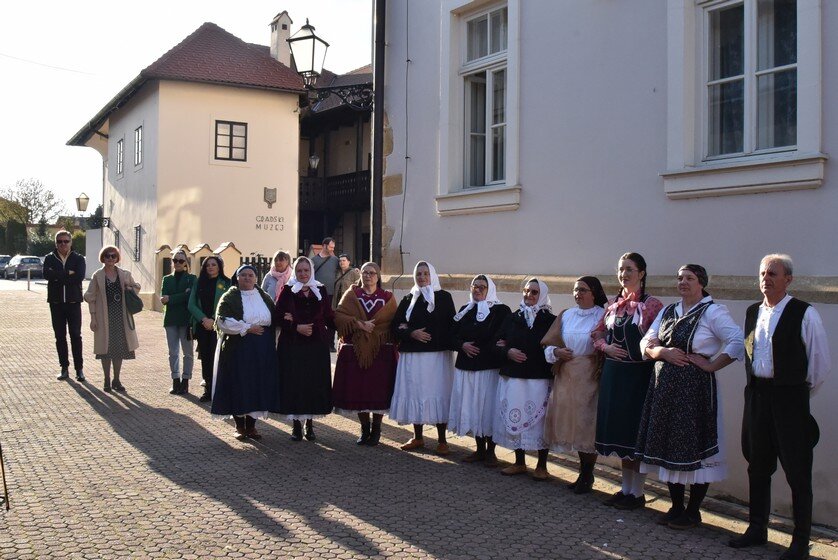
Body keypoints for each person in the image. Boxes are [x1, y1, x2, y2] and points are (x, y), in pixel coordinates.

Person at [728, 254, 830, 560]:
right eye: (762, 273)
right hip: (757, 397)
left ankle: (800, 540)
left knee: (798, 473)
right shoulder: (751, 312)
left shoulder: (804, 313)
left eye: (773, 273)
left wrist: (794, 395)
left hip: (789, 400)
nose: (766, 278)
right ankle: (757, 528)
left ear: (788, 279)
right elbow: (748, 351)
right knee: (757, 466)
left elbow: (819, 364)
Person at [636, 265, 744, 529]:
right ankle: (676, 506)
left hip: (694, 389)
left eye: (690, 278)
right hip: (665, 386)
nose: (683, 282)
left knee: (695, 443)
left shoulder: (713, 312)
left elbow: (737, 340)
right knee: (669, 442)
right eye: (680, 278)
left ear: (702, 283)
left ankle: (693, 510)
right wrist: (662, 353)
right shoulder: (669, 311)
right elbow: (646, 341)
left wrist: (711, 365)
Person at [592, 252, 663, 510]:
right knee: (619, 432)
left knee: (635, 433)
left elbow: (659, 338)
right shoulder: (613, 303)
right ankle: (625, 489)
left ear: (642, 273)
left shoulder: (653, 305)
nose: (624, 274)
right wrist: (605, 347)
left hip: (638, 376)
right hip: (614, 374)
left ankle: (638, 493)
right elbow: (598, 332)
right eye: (621, 269)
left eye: (629, 269)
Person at [541, 276, 608, 493]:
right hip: (567, 375)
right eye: (575, 289)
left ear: (594, 293)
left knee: (587, 426)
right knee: (571, 425)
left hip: (590, 375)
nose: (578, 293)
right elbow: (548, 345)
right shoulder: (566, 315)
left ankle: (587, 474)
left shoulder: (604, 315)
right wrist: (557, 352)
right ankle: (583, 473)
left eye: (583, 290)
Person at [390, 261, 456, 455]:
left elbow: (449, 325)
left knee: (438, 393)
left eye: (426, 273)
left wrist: (413, 330)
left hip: (436, 356)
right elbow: (396, 326)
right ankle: (418, 437)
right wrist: (411, 333)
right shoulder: (409, 298)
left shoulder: (444, 298)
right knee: (415, 393)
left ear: (432, 275)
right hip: (413, 357)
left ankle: (442, 440)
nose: (422, 277)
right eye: (418, 274)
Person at [492, 278, 555, 480]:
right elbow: (497, 343)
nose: (529, 295)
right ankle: (519, 462)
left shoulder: (550, 320)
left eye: (534, 292)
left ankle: (542, 465)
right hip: (514, 377)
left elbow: (552, 346)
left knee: (539, 422)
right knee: (515, 415)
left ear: (542, 295)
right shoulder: (512, 317)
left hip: (538, 378)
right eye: (526, 291)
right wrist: (507, 351)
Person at [333, 261, 398, 445]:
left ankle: (377, 429)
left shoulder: (387, 297)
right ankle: (364, 428)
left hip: (380, 351)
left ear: (378, 276)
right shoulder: (352, 294)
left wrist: (375, 329)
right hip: (356, 350)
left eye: (372, 273)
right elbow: (339, 315)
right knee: (359, 390)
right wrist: (360, 324)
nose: (368, 276)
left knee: (378, 391)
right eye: (364, 272)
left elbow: (392, 320)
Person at [448, 275, 511, 465]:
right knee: (473, 408)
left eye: (482, 287)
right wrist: (462, 345)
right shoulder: (465, 310)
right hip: (466, 367)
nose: (477, 290)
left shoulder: (501, 311)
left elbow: (501, 338)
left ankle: (491, 451)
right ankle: (479, 449)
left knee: (488, 409)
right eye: (474, 286)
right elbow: (450, 336)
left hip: (488, 367)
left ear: (489, 289)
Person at [211, 264, 279, 440]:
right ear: (237, 278)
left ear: (256, 278)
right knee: (239, 384)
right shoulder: (230, 297)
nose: (247, 278)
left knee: (257, 385)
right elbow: (222, 321)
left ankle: (252, 426)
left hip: (262, 350)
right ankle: (239, 426)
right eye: (243, 275)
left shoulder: (264, 297)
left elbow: (275, 317)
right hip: (238, 349)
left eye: (251, 275)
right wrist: (247, 328)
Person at [275, 257, 335, 441]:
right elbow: (277, 317)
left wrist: (351, 325)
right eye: (299, 271)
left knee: (312, 384)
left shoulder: (320, 290)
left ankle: (309, 424)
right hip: (293, 346)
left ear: (311, 271)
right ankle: (295, 426)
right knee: (295, 384)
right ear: (295, 272)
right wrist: (295, 326)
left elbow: (328, 316)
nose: (303, 274)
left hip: (316, 346)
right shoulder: (287, 290)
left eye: (306, 271)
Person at [84, 246, 141, 392]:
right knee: (105, 350)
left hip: (121, 317)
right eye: (108, 256)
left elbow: (136, 287)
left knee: (119, 349)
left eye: (113, 256)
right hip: (104, 317)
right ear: (103, 257)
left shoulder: (124, 274)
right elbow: (90, 297)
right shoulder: (98, 276)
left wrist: (129, 288)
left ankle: (116, 379)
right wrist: (93, 318)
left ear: (117, 258)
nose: (110, 259)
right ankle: (107, 379)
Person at [43, 230, 86, 382]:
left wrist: (58, 275)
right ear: (56, 243)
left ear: (70, 242)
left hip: (73, 303)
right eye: (60, 241)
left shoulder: (79, 258)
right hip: (56, 303)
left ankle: (79, 369)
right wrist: (68, 273)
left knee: (76, 335)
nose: (63, 244)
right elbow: (47, 275)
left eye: (66, 241)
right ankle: (64, 368)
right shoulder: (49, 258)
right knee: (60, 336)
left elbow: (79, 277)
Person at [188, 255, 231, 402]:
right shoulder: (199, 283)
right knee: (205, 358)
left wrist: (213, 319)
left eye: (213, 264)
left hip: (219, 326)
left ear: (219, 266)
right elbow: (191, 304)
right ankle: (208, 389)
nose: (210, 267)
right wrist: (203, 319)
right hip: (202, 326)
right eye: (208, 265)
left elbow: (226, 304)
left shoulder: (226, 283)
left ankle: (219, 389)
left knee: (219, 358)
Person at [160, 250, 196, 395]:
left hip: (186, 320)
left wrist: (172, 298)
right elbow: (164, 298)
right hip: (171, 320)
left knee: (188, 353)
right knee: (173, 352)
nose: (178, 263)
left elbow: (191, 297)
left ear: (186, 262)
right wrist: (183, 295)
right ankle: (175, 379)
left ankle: (185, 380)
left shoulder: (192, 279)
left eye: (181, 261)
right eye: (175, 260)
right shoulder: (167, 279)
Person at [311, 237, 340, 351]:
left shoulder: (335, 260)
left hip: (332, 294)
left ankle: (330, 344)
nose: (332, 249)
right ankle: (317, 341)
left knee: (331, 318)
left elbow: (343, 270)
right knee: (318, 318)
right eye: (331, 247)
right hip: (318, 294)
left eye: (333, 247)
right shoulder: (314, 260)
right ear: (324, 246)